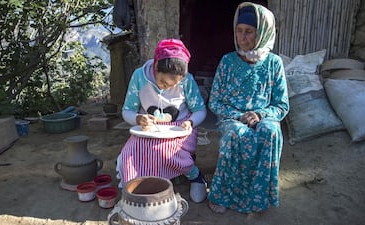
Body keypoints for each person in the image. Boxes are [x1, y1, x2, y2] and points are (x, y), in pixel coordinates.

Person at [207, 2, 290, 214]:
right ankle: (223, 195)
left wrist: (261, 114)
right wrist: (239, 115)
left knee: (270, 132)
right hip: (232, 118)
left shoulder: (274, 63)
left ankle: (258, 197)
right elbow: (215, 101)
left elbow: (281, 105)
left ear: (262, 33)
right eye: (239, 31)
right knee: (236, 133)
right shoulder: (227, 62)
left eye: (249, 32)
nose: (242, 38)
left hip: (264, 117)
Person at [116, 38, 208, 203]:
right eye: (163, 82)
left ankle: (194, 175)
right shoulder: (139, 77)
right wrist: (138, 118)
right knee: (129, 154)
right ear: (155, 66)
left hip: (180, 126)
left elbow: (200, 110)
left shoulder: (187, 80)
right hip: (150, 128)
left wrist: (191, 123)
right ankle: (139, 186)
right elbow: (127, 111)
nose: (167, 87)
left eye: (174, 84)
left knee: (165, 151)